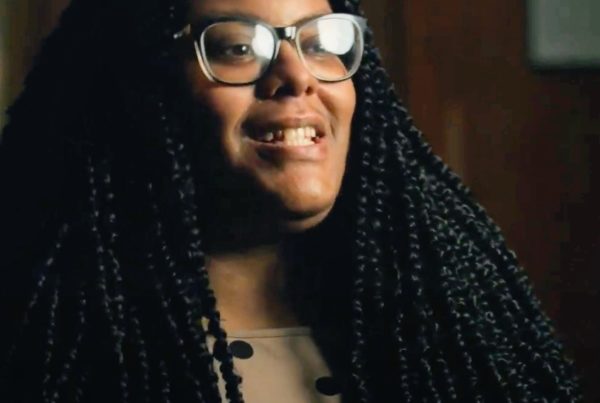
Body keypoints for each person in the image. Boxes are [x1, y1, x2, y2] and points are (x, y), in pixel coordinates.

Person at [0, 0, 582, 401]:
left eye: (323, 43)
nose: (297, 75)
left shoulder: (442, 334)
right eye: (237, 46)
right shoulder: (52, 351)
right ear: (140, 89)